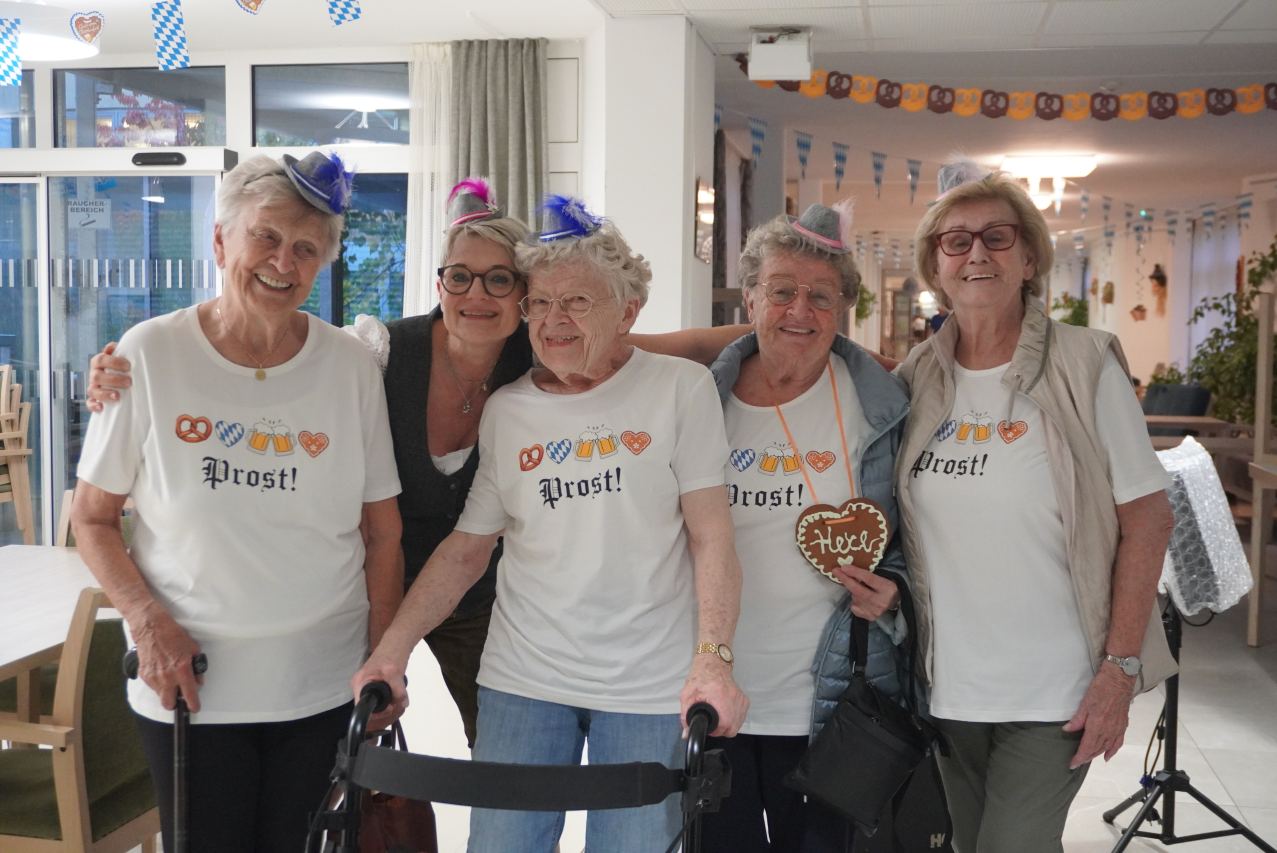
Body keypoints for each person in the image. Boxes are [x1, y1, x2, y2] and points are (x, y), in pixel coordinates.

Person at [352, 196, 748, 853]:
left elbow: (712, 537)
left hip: (648, 683)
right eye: (539, 303)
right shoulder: (509, 408)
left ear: (628, 312)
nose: (553, 319)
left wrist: (713, 659)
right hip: (523, 678)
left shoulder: (678, 389)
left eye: (576, 302)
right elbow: (465, 550)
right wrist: (390, 653)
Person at [87, 177, 530, 750]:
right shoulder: (377, 354)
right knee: (364, 766)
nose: (478, 294)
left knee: (505, 749)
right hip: (369, 587)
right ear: (439, 283)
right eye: (461, 276)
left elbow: (630, 347)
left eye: (500, 279)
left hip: (474, 593)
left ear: (525, 295)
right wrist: (116, 378)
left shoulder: (545, 359)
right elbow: (282, 367)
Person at [71, 152, 403, 852]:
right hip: (189, 683)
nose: (284, 262)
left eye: (306, 248)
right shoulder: (148, 355)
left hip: (320, 682)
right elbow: (92, 517)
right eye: (266, 237)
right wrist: (147, 623)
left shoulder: (349, 367)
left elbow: (382, 532)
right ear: (221, 241)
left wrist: (381, 659)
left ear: (322, 264)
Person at [896, 164, 1174, 853]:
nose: (976, 253)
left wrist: (1120, 668)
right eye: (956, 241)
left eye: (997, 236)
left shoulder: (1086, 365)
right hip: (946, 685)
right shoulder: (914, 379)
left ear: (1028, 258)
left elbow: (1147, 518)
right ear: (935, 265)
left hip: (1057, 688)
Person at [703, 203, 909, 853]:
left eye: (821, 296)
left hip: (831, 701)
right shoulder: (698, 400)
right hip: (712, 688)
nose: (800, 310)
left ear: (843, 307)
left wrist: (894, 589)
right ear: (749, 297)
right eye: (781, 291)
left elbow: (918, 531)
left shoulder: (880, 403)